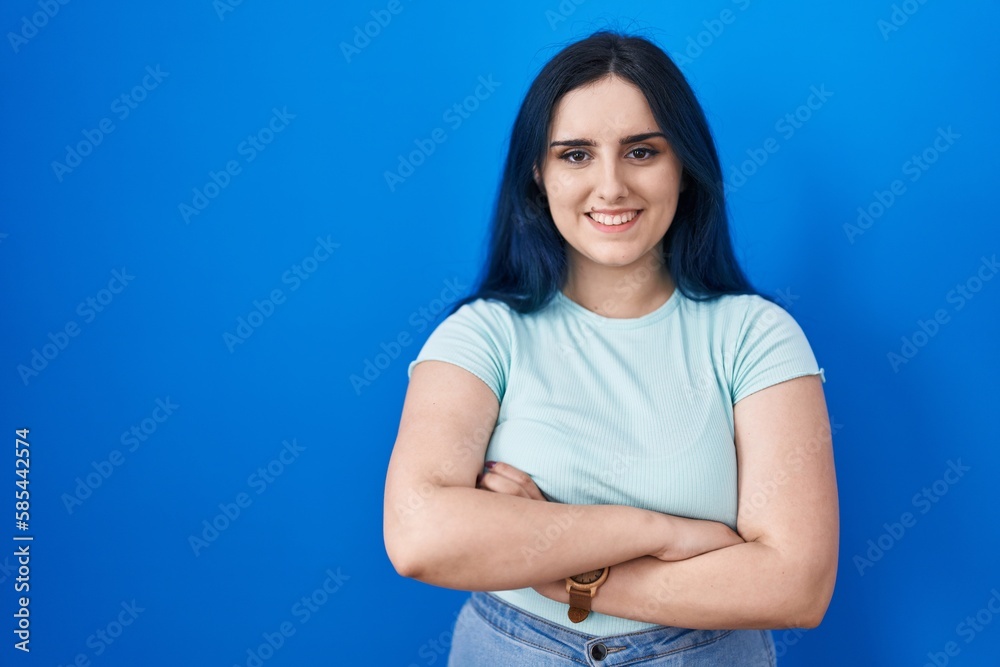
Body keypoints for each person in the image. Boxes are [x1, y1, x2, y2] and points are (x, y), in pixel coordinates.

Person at [383, 29, 838, 666]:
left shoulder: (756, 336)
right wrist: (661, 531)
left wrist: (561, 573)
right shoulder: (481, 335)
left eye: (641, 151)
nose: (611, 186)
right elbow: (418, 536)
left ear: (685, 165)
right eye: (575, 155)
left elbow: (797, 586)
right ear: (537, 175)